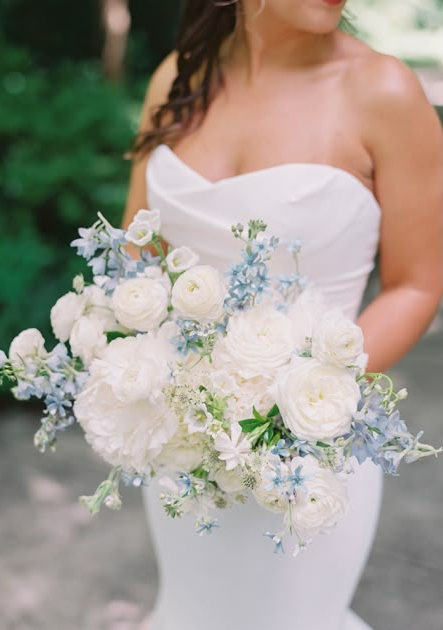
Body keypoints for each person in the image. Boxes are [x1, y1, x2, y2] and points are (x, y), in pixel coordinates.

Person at [122, 1, 443, 629]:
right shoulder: (179, 77)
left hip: (307, 455)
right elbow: (138, 248)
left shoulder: (385, 92)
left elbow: (416, 285)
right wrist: (138, 368)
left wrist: (291, 404)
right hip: (183, 447)